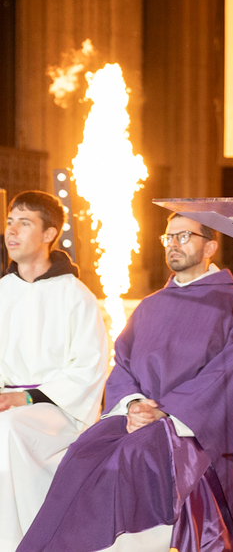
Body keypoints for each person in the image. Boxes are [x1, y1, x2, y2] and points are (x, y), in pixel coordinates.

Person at [18, 213, 233, 552]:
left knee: (129, 458)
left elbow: (228, 373)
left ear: (210, 247)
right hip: (136, 415)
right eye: (168, 237)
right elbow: (124, 362)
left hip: (188, 425)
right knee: (82, 453)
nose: (173, 244)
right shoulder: (150, 305)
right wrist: (132, 403)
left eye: (184, 236)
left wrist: (165, 412)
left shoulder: (232, 306)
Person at [0, 191, 109, 552]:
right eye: (10, 221)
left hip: (58, 409)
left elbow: (89, 367)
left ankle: (24, 541)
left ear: (49, 234)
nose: (11, 230)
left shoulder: (75, 295)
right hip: (7, 402)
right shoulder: (2, 291)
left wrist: (26, 397)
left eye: (24, 223)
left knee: (10, 428)